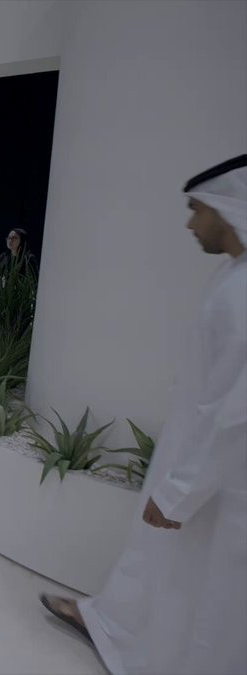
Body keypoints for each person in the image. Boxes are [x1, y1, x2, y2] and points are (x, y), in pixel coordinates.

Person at [40, 155, 247, 675]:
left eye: (197, 209)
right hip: (199, 467)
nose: (190, 223)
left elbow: (237, 416)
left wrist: (181, 491)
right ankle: (115, 628)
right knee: (168, 569)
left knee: (208, 595)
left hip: (220, 485)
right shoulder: (233, 276)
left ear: (229, 210)